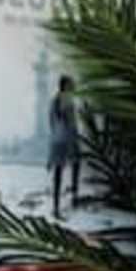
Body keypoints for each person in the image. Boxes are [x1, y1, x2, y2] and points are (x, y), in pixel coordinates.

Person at [43, 74, 90, 213]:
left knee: (59, 172)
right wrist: (74, 136)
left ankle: (57, 205)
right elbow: (70, 122)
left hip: (57, 139)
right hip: (67, 138)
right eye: (71, 84)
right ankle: (73, 198)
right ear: (65, 85)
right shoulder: (66, 100)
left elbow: (52, 123)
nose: (73, 86)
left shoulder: (55, 100)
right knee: (75, 165)